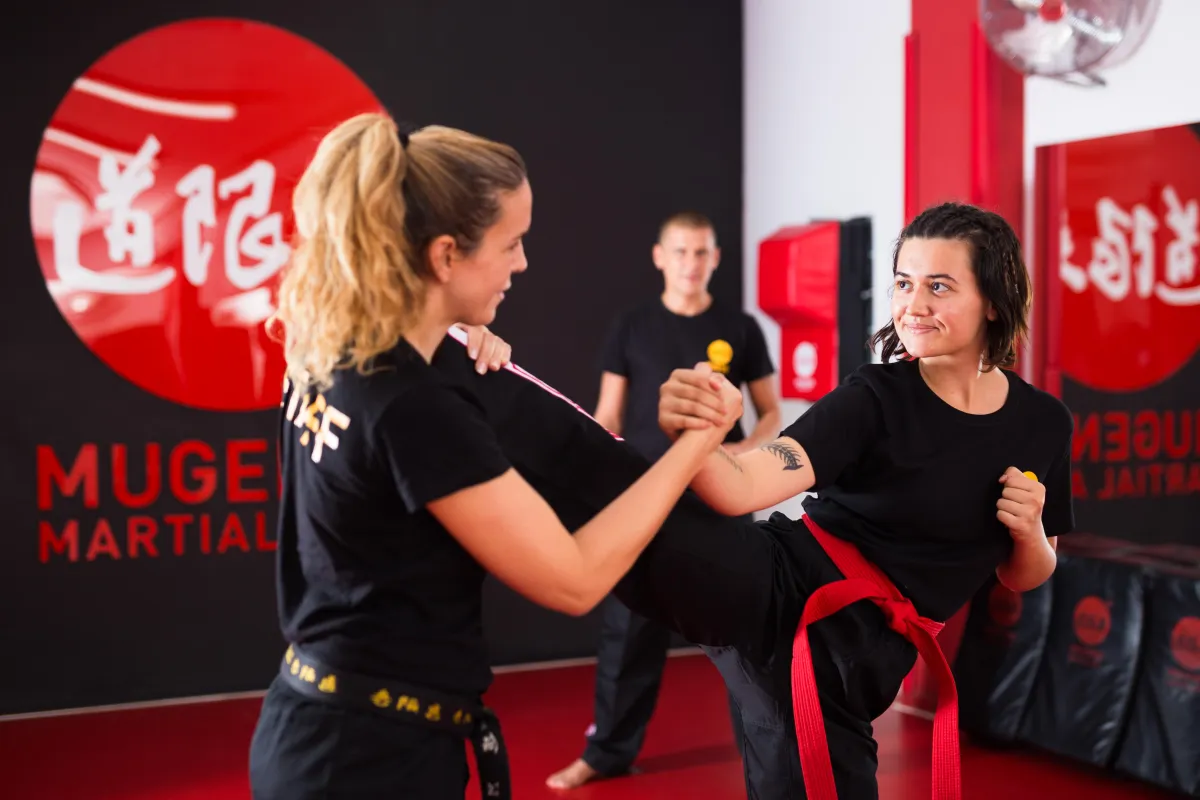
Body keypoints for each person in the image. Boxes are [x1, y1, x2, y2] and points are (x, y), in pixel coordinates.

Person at [422, 200, 1075, 799]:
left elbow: (1024, 576)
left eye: (939, 285)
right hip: (772, 590)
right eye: (904, 283)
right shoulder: (877, 397)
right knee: (599, 470)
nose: (913, 304)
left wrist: (1030, 533)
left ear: (993, 298)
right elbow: (744, 487)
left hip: (860, 659)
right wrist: (703, 434)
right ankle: (448, 355)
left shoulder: (1042, 424)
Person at [246, 113, 744, 800]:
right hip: (368, 763)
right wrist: (694, 448)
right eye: (511, 244)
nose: (522, 264)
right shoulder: (416, 409)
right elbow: (572, 581)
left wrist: (448, 326)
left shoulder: (325, 350)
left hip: (312, 726)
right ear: (446, 256)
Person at [547, 211, 780, 790]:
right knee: (626, 634)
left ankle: (772, 762)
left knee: (745, 638)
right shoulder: (632, 326)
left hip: (721, 501)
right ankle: (605, 754)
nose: (691, 264)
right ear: (659, 257)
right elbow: (606, 418)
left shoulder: (742, 327)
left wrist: (742, 461)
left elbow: (771, 411)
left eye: (701, 253)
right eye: (680, 253)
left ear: (716, 258)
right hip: (646, 504)